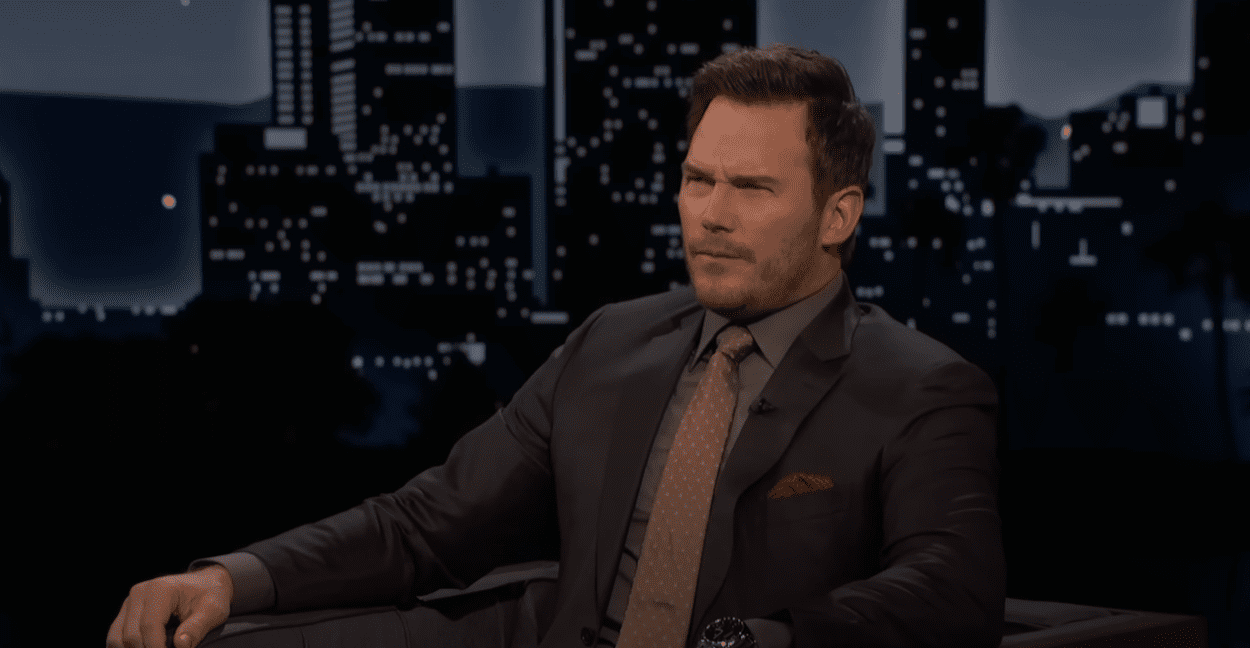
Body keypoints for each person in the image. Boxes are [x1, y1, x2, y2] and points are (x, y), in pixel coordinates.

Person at [107, 43, 1004, 648]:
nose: (711, 215)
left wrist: (762, 641)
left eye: (753, 188)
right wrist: (233, 580)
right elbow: (430, 523)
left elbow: (950, 584)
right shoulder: (611, 343)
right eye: (698, 180)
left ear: (838, 216)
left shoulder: (922, 386)